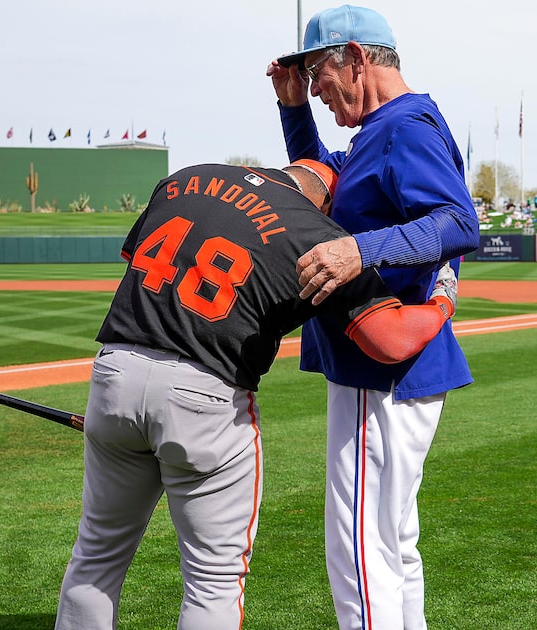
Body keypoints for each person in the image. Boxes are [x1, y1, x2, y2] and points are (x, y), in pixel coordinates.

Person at [55, 160, 459, 629]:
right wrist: (443, 300)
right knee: (214, 581)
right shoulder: (317, 231)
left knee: (95, 557)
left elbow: (142, 271)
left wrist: (136, 410)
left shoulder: (186, 177)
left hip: (115, 375)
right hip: (207, 395)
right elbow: (390, 341)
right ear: (326, 199)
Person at [266, 6, 479, 628]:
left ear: (356, 59)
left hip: (380, 365)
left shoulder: (404, 128)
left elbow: (458, 221)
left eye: (321, 80)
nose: (320, 94)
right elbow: (330, 187)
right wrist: (293, 111)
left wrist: (360, 248)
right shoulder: (389, 125)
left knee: (360, 549)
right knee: (391, 542)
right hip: (399, 365)